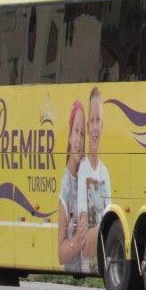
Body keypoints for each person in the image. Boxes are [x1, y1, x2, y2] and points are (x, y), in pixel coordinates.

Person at [77, 86, 111, 273]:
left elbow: (108, 218)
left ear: (102, 125)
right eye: (92, 120)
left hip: (99, 254)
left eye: (98, 120)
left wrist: (96, 228)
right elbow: (85, 231)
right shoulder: (83, 170)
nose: (95, 126)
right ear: (88, 127)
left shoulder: (105, 173)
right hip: (86, 260)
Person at [58, 100, 88, 272]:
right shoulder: (66, 183)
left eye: (82, 134)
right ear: (69, 136)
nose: (79, 140)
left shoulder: (81, 176)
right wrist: (76, 242)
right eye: (76, 131)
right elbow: (61, 255)